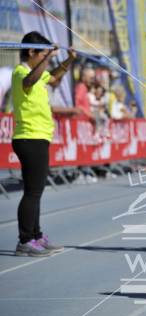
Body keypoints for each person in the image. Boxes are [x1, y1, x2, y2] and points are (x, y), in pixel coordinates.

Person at [11, 31, 76, 256]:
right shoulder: (21, 73)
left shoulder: (37, 74)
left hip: (39, 137)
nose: (44, 59)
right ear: (32, 52)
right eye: (41, 55)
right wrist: (49, 55)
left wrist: (69, 60)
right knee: (32, 191)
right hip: (29, 138)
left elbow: (54, 77)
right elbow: (30, 81)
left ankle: (36, 236)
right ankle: (25, 240)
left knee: (36, 191)